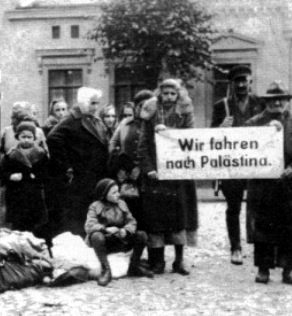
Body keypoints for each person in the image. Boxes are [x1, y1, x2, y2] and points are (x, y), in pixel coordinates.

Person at [245, 81, 292, 285]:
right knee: (263, 225)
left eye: (281, 99)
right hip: (263, 184)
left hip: (290, 184)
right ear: (266, 102)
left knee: (291, 227)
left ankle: (289, 268)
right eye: (272, 99)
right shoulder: (253, 124)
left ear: (287, 101)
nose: (277, 103)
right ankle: (263, 268)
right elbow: (243, 149)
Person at [137, 79, 198, 276]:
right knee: (156, 219)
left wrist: (170, 134)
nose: (169, 97)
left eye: (173, 94)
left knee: (179, 217)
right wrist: (149, 169)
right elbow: (143, 145)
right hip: (156, 175)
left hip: (177, 174)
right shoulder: (152, 113)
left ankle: (179, 261)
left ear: (178, 95)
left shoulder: (185, 113)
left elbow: (191, 139)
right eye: (166, 94)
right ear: (160, 95)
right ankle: (158, 261)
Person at [210, 65, 264, 265]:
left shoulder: (261, 104)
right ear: (231, 84)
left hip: (256, 164)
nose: (241, 84)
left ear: (251, 81)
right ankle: (236, 247)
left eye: (244, 80)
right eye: (237, 81)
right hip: (231, 166)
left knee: (259, 207)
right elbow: (209, 137)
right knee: (233, 208)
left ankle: (261, 246)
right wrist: (219, 128)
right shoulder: (221, 106)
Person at [47, 87, 109, 237]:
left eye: (97, 103)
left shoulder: (95, 120)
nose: (96, 107)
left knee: (92, 213)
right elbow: (53, 138)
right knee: (79, 215)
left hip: (95, 175)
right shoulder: (71, 119)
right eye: (92, 103)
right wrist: (67, 165)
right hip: (80, 177)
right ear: (83, 103)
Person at [85, 178, 153, 286]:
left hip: (120, 240)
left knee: (142, 235)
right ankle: (106, 270)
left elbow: (132, 222)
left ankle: (134, 266)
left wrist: (126, 231)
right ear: (104, 194)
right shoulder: (95, 206)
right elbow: (89, 225)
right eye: (114, 192)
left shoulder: (122, 204)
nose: (118, 194)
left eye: (118, 191)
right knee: (96, 236)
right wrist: (105, 229)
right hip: (105, 241)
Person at [109, 90, 154, 226]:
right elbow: (113, 145)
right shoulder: (126, 124)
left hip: (149, 175)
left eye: (148, 105)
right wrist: (122, 165)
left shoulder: (155, 124)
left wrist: (144, 167)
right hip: (130, 177)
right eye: (140, 105)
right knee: (131, 212)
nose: (143, 109)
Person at [1, 121, 49, 233]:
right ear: (18, 137)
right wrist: (10, 176)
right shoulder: (11, 155)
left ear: (34, 138)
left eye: (29, 137)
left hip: (34, 196)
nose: (26, 139)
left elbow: (47, 174)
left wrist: (37, 176)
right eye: (23, 136)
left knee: (34, 226)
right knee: (18, 227)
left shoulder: (41, 154)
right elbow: (2, 174)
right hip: (16, 196)